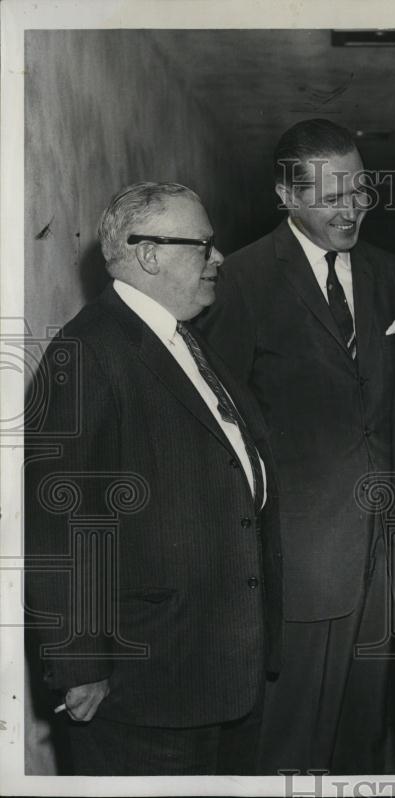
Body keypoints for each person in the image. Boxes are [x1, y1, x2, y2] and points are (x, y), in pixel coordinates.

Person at [24, 182, 281, 775]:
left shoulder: (184, 340)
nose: (218, 258)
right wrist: (80, 664)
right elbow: (60, 518)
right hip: (148, 685)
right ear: (148, 254)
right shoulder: (88, 352)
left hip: (217, 670)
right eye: (203, 245)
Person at [197, 119, 395, 774]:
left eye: (361, 191)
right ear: (286, 196)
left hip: (382, 554)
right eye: (331, 196)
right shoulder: (240, 281)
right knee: (290, 747)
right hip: (298, 563)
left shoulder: (388, 272)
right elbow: (219, 433)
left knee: (363, 737)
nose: (352, 209)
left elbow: (391, 409)